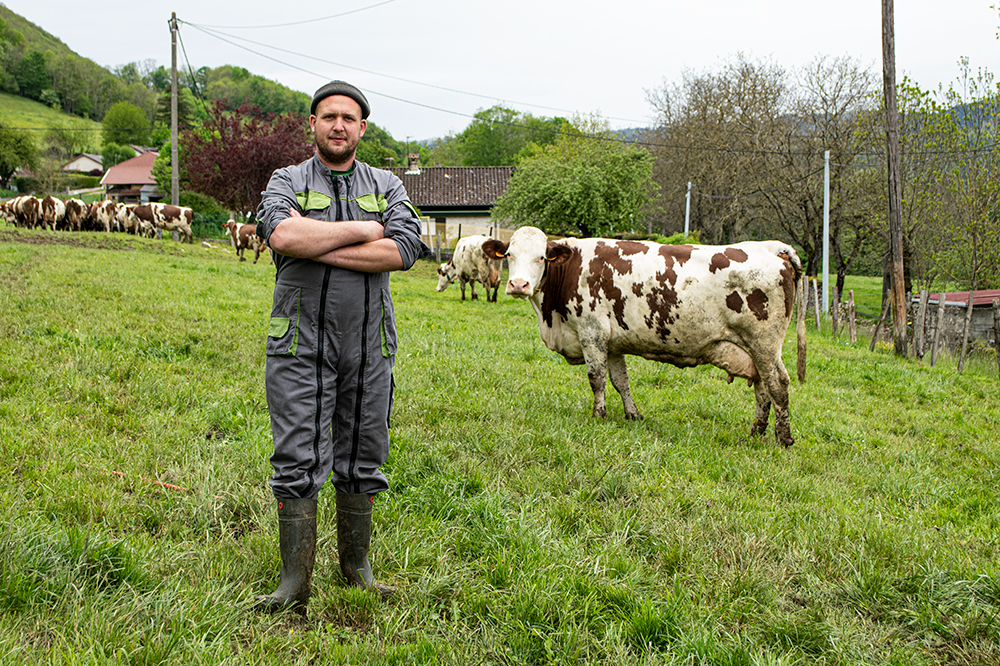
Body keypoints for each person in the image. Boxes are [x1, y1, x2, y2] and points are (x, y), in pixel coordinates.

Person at [254, 80, 428, 612]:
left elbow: (403, 250)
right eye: (328, 116)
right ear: (312, 124)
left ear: (362, 128)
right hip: (300, 340)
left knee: (363, 454)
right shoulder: (286, 179)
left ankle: (357, 569)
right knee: (297, 454)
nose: (337, 125)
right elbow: (282, 237)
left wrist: (319, 242)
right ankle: (294, 583)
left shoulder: (388, 183)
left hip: (369, 341)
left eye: (348, 119)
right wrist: (364, 229)